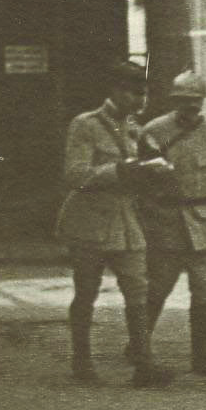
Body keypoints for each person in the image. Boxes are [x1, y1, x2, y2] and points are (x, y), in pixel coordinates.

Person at [54, 60, 174, 387]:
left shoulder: (136, 129)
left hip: (125, 219)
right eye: (134, 93)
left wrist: (155, 171)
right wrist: (123, 170)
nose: (140, 101)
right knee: (87, 291)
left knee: (138, 290)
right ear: (114, 91)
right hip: (89, 220)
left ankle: (143, 364)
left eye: (144, 94)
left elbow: (141, 173)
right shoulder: (85, 125)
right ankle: (82, 362)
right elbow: (75, 175)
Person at [136, 69, 206, 377]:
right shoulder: (153, 131)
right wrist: (142, 223)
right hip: (165, 224)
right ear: (174, 101)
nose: (191, 106)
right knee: (157, 289)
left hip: (204, 224)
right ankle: (139, 348)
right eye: (185, 101)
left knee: (203, 291)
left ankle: (201, 357)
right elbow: (138, 182)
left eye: (196, 101)